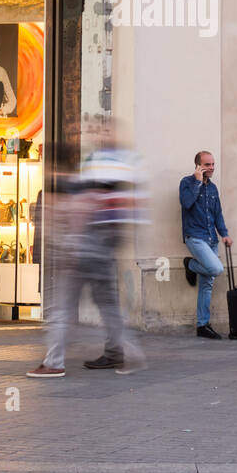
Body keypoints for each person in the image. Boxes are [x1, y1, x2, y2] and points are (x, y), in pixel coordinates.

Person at [26, 131, 145, 377]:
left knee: (62, 309)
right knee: (109, 307)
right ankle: (123, 354)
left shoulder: (69, 183)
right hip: (101, 253)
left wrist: (69, 250)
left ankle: (54, 363)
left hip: (79, 256)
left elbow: (77, 219)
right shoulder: (93, 178)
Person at [179, 151, 231, 339]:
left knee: (207, 282)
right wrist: (197, 181)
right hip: (195, 236)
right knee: (215, 268)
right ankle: (190, 264)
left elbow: (218, 214)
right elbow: (186, 203)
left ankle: (202, 325)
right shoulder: (186, 183)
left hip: (211, 239)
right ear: (198, 166)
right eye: (207, 165)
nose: (211, 168)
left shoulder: (214, 188)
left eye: (213, 164)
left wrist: (224, 234)